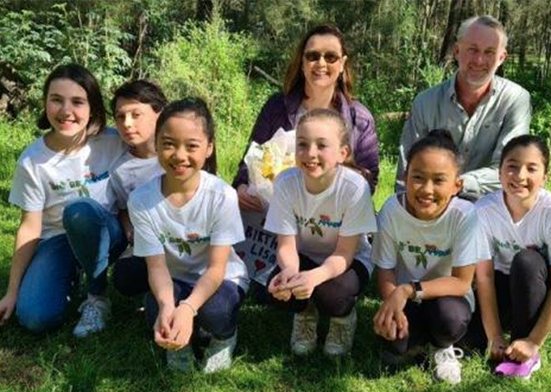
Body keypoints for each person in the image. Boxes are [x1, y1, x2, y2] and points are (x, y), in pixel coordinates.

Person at [233, 23, 379, 288]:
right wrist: (242, 186)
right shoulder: (277, 107)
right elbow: (252, 157)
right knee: (271, 289)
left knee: (334, 293)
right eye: (312, 56)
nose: (320, 63)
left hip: (334, 222)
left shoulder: (359, 118)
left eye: (330, 56)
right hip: (281, 214)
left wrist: (329, 176)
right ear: (301, 62)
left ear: (342, 63)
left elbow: (369, 181)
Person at [0, 64, 128, 336]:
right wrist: (11, 292)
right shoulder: (33, 161)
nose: (66, 111)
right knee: (34, 318)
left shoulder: (113, 142)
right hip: (59, 239)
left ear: (93, 108)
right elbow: (30, 227)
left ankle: (97, 298)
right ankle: (71, 274)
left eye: (77, 101)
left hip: (108, 233)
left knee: (80, 211)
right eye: (56, 100)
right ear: (45, 104)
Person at [128, 98, 249, 373]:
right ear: (156, 144)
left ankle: (223, 336)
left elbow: (217, 267)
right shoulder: (141, 200)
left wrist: (188, 308)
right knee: (155, 311)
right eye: (169, 144)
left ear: (209, 148)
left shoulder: (222, 196)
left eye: (191, 146)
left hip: (222, 279)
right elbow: (156, 267)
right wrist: (168, 307)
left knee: (214, 312)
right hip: (174, 278)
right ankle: (180, 343)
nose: (179, 156)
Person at [469, 135, 551, 379]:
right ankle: (504, 335)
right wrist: (495, 336)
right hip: (503, 278)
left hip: (543, 281)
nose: (520, 176)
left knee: (526, 260)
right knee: (471, 338)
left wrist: (534, 340)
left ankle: (525, 352)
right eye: (512, 166)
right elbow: (485, 277)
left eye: (531, 169)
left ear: (545, 176)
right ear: (500, 172)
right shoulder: (483, 211)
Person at [264, 108, 377, 357]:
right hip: (304, 255)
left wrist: (314, 278)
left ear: (342, 153)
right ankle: (304, 314)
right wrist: (291, 274)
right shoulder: (285, 182)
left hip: (348, 260)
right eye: (302, 144)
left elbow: (345, 253)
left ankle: (342, 321)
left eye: (322, 145)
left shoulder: (354, 188)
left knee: (333, 296)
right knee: (277, 290)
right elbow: (286, 246)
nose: (310, 154)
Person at [373, 130, 481, 384]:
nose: (427, 190)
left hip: (448, 298)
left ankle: (442, 347)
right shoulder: (391, 210)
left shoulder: (464, 216)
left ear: (457, 185)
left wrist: (407, 290)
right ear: (405, 177)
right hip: (405, 298)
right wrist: (392, 308)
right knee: (395, 343)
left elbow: (462, 282)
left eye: (439, 180)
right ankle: (416, 342)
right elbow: (385, 271)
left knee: (449, 320)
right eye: (418, 178)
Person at [397, 15, 531, 198]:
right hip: (435, 209)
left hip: (490, 210)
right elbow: (407, 171)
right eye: (473, 49)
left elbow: (511, 169)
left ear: (502, 57)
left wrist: (458, 184)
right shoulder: (425, 103)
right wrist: (404, 215)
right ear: (457, 51)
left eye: (489, 52)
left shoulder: (515, 100)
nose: (479, 60)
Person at [109, 80, 168, 297]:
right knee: (125, 276)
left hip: (190, 240)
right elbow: (124, 208)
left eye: (136, 114)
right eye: (120, 116)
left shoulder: (181, 155)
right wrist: (129, 229)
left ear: (159, 114)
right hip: (149, 244)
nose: (127, 123)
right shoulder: (120, 169)